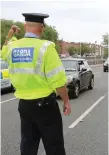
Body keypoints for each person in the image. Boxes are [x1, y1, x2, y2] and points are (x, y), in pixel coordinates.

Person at [1, 13, 71, 155]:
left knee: (28, 145)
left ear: (25, 26)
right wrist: (66, 101)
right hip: (45, 106)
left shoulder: (12, 47)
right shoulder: (46, 48)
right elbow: (58, 81)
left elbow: (2, 53)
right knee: (54, 146)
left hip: (24, 106)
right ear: (42, 28)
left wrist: (9, 35)